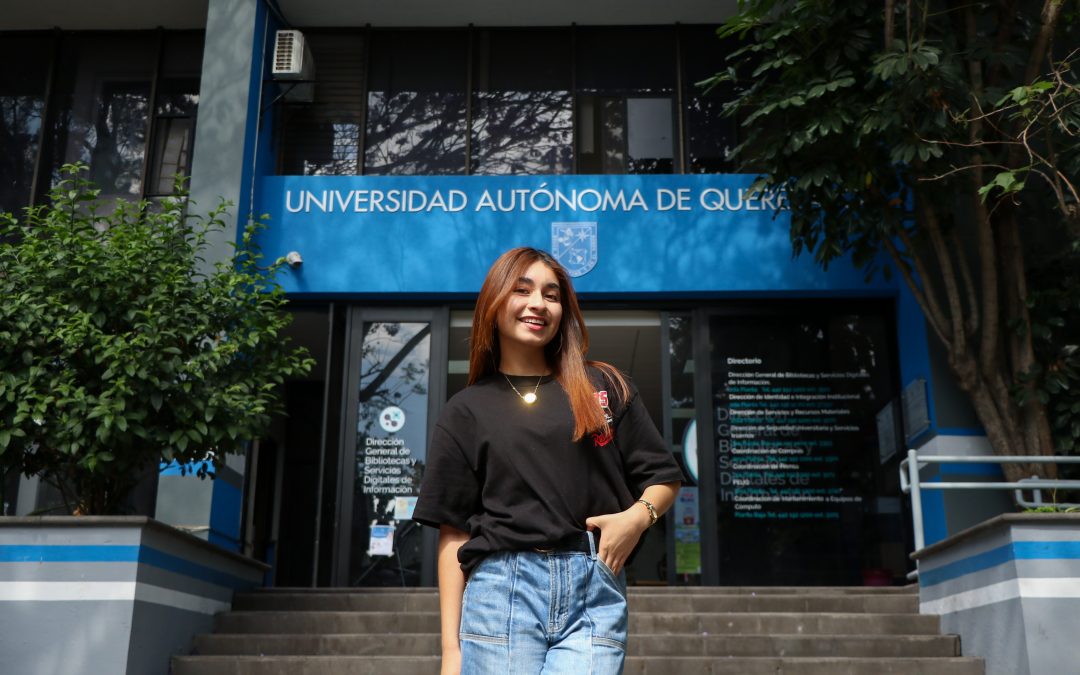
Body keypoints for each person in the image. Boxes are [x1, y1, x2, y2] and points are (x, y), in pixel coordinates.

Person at [413, 247, 683, 675]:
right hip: (501, 588)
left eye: (551, 295)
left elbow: (664, 478)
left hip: (595, 584)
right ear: (494, 302)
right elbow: (454, 535)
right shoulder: (466, 410)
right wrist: (451, 651)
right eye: (522, 290)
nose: (538, 303)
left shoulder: (604, 386)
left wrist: (637, 518)